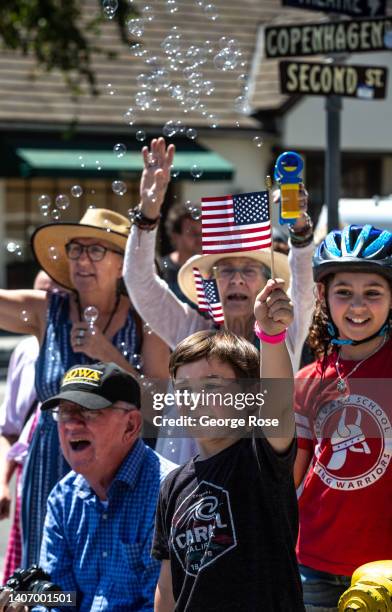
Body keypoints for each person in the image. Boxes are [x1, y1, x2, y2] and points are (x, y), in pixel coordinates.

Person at [124, 138, 315, 462]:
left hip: (257, 490)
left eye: (248, 270)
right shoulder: (193, 331)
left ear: (266, 283)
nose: (237, 278)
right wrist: (148, 210)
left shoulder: (283, 333)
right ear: (211, 281)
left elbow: (304, 290)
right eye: (226, 270)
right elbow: (139, 281)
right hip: (189, 487)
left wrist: (298, 229)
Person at [0, 207, 170, 567]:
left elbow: (158, 409)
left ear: (122, 262)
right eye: (75, 249)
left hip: (118, 475)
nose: (81, 260)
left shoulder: (145, 323)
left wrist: (106, 352)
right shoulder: (49, 311)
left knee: (112, 579)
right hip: (49, 464)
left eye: (95, 250)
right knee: (45, 581)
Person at [152, 278, 304, 611]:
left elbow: (278, 405)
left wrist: (272, 335)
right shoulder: (172, 486)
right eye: (185, 390)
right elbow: (167, 583)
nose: (196, 400)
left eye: (211, 386)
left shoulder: (261, 457)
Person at [294, 224, 392, 610]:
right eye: (344, 293)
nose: (357, 306)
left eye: (373, 293)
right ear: (322, 295)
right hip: (313, 567)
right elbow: (288, 480)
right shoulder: (305, 380)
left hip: (385, 570)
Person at [31, 362, 175, 611]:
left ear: (130, 425)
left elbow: (159, 607)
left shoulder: (169, 492)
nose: (72, 424)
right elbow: (59, 598)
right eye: (65, 412)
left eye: (88, 411)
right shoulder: (63, 498)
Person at [0, 271, 55, 582]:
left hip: (83, 476)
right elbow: (9, 427)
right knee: (30, 580)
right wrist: (1, 482)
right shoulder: (25, 351)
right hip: (35, 475)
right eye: (40, 292)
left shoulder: (89, 336)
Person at [160, 201, 202, 305]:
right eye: (193, 233)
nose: (200, 238)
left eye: (203, 233)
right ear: (175, 236)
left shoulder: (212, 269)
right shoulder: (160, 270)